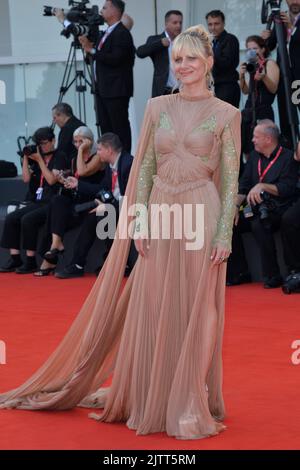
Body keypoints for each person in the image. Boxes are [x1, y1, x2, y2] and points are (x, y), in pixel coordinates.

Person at [0, 25, 241, 440]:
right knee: (153, 300)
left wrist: (224, 235)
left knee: (201, 305)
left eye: (191, 59)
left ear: (209, 63)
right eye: (178, 59)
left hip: (201, 211)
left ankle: (190, 398)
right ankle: (154, 389)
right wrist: (139, 222)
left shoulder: (227, 114)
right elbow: (144, 169)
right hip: (161, 211)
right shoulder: (156, 107)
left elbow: (232, 179)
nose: (183, 66)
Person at [227, 120, 298, 288]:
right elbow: (243, 186)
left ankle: (273, 275)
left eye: (255, 137)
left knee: (259, 224)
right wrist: (236, 207)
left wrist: (263, 186)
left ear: (268, 139)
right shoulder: (253, 158)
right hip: (252, 206)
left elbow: (287, 188)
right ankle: (240, 272)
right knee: (229, 222)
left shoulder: (288, 157)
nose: (252, 140)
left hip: (279, 206)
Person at [55, 133, 135, 279]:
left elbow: (133, 197)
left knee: (105, 215)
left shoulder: (128, 164)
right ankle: (77, 264)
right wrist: (78, 184)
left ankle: (118, 263)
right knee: (92, 217)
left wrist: (110, 206)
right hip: (117, 205)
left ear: (109, 150)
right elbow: (102, 188)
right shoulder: (111, 166)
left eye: (99, 149)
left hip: (132, 207)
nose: (97, 153)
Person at [35, 127, 106, 276]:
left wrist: (80, 151)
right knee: (57, 202)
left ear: (90, 141)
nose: (78, 144)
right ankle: (56, 244)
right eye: (75, 141)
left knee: (53, 214)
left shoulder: (98, 156)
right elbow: (77, 180)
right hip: (77, 200)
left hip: (93, 201)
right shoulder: (74, 159)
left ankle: (50, 259)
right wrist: (65, 180)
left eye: (81, 141)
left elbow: (82, 172)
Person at [0, 127, 67, 274]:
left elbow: (50, 180)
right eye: (40, 144)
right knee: (11, 218)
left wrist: (40, 161)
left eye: (45, 143)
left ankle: (30, 261)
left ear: (53, 141)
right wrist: (26, 157)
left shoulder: (60, 157)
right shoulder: (37, 158)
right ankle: (15, 258)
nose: (43, 147)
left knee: (28, 219)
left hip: (52, 201)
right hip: (36, 200)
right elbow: (26, 178)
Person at [78, 0, 135, 153]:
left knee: (119, 128)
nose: (101, 11)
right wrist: (87, 49)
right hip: (101, 89)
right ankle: (110, 161)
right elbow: (96, 58)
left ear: (115, 11)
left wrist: (93, 51)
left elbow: (116, 58)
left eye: (104, 7)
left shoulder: (122, 33)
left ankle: (123, 161)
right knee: (106, 128)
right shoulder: (106, 33)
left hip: (116, 89)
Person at [261, 0, 300, 149]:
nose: (295, 1)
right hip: (284, 76)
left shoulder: (288, 22)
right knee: (286, 117)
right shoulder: (280, 19)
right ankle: (290, 155)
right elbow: (269, 46)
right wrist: (265, 38)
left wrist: (292, 28)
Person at [240, 36, 280, 162]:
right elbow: (246, 90)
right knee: (247, 146)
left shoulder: (270, 63)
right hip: (249, 110)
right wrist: (241, 76)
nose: (251, 51)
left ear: (263, 49)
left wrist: (264, 77)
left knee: (264, 146)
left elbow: (273, 88)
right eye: (248, 49)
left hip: (263, 110)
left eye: (255, 48)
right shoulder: (251, 65)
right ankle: (251, 174)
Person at [136, 10, 183, 97]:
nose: (178, 26)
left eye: (180, 22)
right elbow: (140, 52)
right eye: (175, 23)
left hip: (182, 91)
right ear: (166, 24)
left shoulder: (184, 42)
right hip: (163, 91)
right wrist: (160, 43)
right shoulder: (156, 40)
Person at [205, 10, 240, 108]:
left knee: (226, 121)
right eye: (210, 24)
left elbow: (227, 64)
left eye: (216, 24)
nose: (213, 27)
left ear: (223, 24)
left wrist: (210, 53)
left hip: (227, 86)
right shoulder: (208, 42)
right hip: (212, 86)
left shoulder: (230, 39)